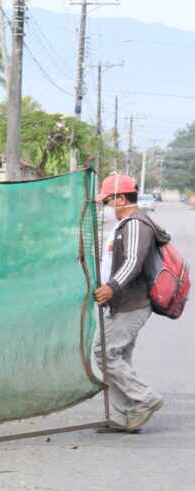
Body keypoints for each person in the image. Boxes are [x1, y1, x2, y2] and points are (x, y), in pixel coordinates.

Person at [94, 173, 169, 432]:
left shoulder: (136, 223)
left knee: (104, 353)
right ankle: (129, 415)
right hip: (122, 302)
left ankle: (145, 399)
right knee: (118, 356)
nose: (107, 206)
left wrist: (111, 288)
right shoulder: (127, 223)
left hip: (131, 302)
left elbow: (132, 262)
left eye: (109, 201)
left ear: (122, 198)